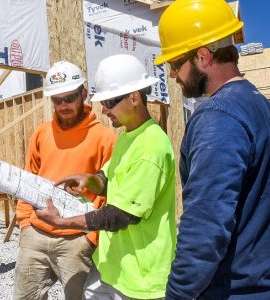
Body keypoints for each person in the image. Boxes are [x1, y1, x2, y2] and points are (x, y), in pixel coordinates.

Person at [153, 0, 270, 298]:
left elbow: (205, 226)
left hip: (237, 290)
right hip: (268, 285)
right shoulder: (254, 101)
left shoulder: (218, 116)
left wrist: (178, 294)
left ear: (203, 56)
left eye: (174, 64)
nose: (172, 74)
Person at [36, 54, 176, 300]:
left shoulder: (152, 146)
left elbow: (120, 215)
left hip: (141, 278)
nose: (104, 110)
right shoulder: (128, 136)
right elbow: (109, 180)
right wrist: (90, 179)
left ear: (134, 97)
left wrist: (61, 222)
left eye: (109, 102)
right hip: (115, 267)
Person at [13, 61, 116, 300]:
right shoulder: (42, 133)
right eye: (56, 100)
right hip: (36, 234)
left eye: (69, 98)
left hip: (77, 240)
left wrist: (91, 237)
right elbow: (29, 178)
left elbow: (110, 192)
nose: (63, 105)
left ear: (83, 94)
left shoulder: (104, 137)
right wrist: (25, 223)